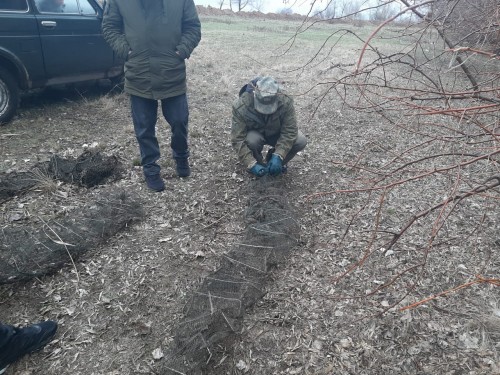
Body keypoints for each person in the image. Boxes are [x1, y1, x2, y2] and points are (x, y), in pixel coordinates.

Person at [102, 0, 201, 192]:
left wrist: (182, 50)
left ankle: (181, 155)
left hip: (171, 71)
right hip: (139, 72)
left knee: (180, 121)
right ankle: (151, 169)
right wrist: (126, 50)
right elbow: (109, 27)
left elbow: (193, 27)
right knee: (144, 129)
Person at [231, 76, 307, 177]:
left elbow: (290, 131)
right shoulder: (241, 106)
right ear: (254, 95)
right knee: (250, 140)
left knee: (300, 141)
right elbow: (238, 139)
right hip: (255, 135)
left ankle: (274, 162)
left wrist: (279, 155)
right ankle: (258, 165)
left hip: (276, 133)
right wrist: (250, 163)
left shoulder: (285, 100)